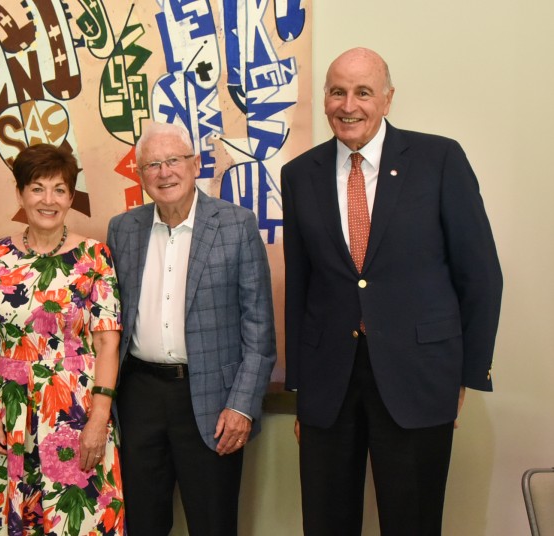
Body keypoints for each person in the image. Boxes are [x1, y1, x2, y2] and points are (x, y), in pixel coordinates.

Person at [281, 47, 503, 535]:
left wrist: (464, 374)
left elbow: (481, 274)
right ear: (324, 99)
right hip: (328, 383)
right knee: (326, 521)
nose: (348, 104)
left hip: (419, 375)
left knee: (413, 521)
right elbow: (299, 288)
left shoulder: (439, 158)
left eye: (363, 91)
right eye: (337, 91)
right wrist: (299, 388)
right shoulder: (300, 175)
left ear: (387, 98)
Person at [106, 121, 277, 536]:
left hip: (211, 401)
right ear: (140, 174)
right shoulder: (123, 229)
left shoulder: (236, 225)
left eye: (174, 161)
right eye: (152, 165)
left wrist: (241, 407)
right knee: (143, 524)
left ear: (196, 164)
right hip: (139, 397)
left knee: (212, 522)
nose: (164, 172)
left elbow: (259, 328)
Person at [0, 143, 124, 535]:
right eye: (37, 188)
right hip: (10, 412)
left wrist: (100, 417)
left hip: (75, 410)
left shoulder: (95, 257)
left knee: (76, 519)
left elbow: (108, 342)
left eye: (59, 189)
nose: (48, 200)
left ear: (71, 197)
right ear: (20, 193)